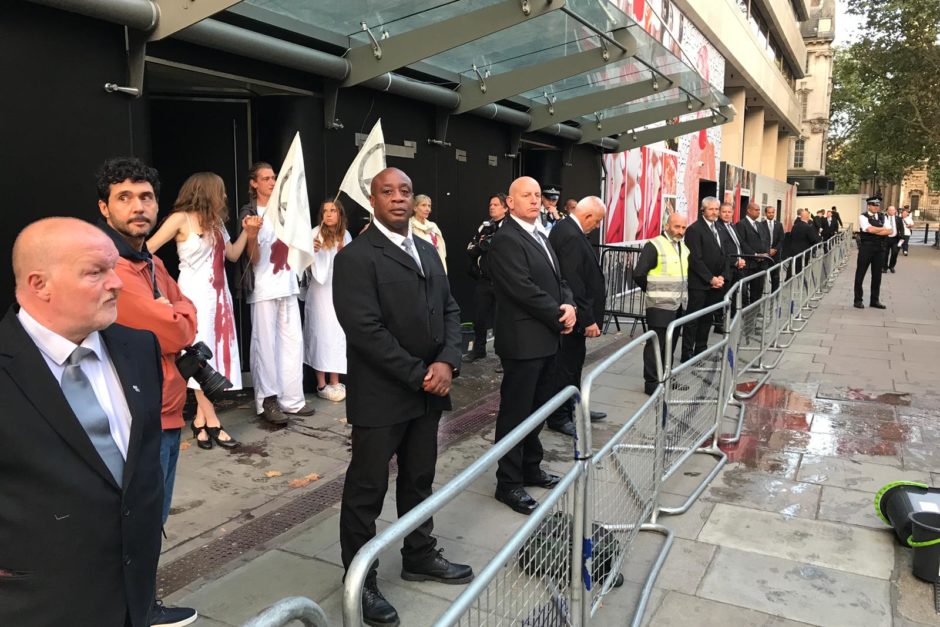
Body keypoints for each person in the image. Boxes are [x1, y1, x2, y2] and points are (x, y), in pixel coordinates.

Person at [0, 218, 165, 627]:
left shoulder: (139, 348)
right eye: (96, 272)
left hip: (135, 596)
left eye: (114, 267)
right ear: (40, 285)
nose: (117, 283)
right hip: (35, 606)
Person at [333, 168, 472, 626]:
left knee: (419, 480)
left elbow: (451, 310)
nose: (397, 198)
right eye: (387, 192)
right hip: (382, 396)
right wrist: (419, 373)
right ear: (371, 200)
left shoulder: (429, 251)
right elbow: (365, 330)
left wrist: (448, 362)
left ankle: (419, 554)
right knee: (366, 490)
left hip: (428, 394)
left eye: (405, 191)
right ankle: (360, 580)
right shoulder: (356, 258)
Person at [94, 157, 199, 627]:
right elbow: (175, 331)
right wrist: (175, 314)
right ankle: (136, 612)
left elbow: (185, 310)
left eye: (146, 197)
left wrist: (176, 312)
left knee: (151, 520)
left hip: (170, 412)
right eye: (125, 197)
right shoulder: (110, 266)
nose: (138, 207)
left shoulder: (152, 260)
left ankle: (143, 607)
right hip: (141, 419)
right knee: (136, 526)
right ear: (105, 207)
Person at [147, 172, 259, 450]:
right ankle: (213, 422)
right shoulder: (179, 219)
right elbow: (146, 251)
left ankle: (199, 421)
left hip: (219, 298)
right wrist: (160, 292)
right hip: (193, 295)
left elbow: (232, 255)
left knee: (213, 358)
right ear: (207, 191)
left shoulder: (217, 223)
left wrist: (249, 232)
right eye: (219, 191)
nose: (223, 196)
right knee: (200, 358)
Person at [488, 176, 576, 515]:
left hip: (547, 340)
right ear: (510, 202)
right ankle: (508, 483)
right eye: (526, 195)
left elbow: (559, 278)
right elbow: (522, 289)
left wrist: (569, 305)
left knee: (537, 411)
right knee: (516, 414)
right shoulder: (507, 240)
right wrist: (559, 314)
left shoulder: (540, 234)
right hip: (523, 344)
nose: (535, 200)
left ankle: (529, 466)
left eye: (538, 195)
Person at [238, 162, 316, 424]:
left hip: (288, 284)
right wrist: (251, 236)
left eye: (274, 178)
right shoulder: (250, 212)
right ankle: (267, 401)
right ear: (254, 183)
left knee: (292, 342)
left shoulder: (287, 211)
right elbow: (253, 257)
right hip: (263, 287)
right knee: (265, 345)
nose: (272, 182)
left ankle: (292, 399)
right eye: (266, 178)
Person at [546, 197, 608, 436]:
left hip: (574, 316)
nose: (598, 226)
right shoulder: (570, 234)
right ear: (588, 216)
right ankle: (559, 416)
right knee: (566, 366)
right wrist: (588, 319)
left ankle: (573, 405)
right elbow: (574, 282)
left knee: (573, 364)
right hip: (572, 318)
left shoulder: (569, 230)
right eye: (599, 220)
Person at [634, 213, 689, 394]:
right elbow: (639, 274)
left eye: (683, 227)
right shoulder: (655, 245)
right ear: (667, 226)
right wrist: (652, 292)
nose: (680, 231)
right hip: (659, 305)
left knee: (670, 344)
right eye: (677, 227)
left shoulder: (683, 247)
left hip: (678, 304)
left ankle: (665, 378)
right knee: (655, 345)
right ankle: (651, 384)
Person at [303, 199, 351, 401]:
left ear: (340, 214)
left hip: (338, 290)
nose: (329, 214)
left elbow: (350, 264)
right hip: (320, 291)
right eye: (325, 211)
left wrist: (343, 252)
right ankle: (321, 384)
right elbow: (302, 266)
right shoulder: (314, 233)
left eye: (333, 210)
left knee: (337, 334)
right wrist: (310, 251)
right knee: (320, 334)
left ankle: (335, 380)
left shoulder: (345, 234)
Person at [681, 196, 727, 362]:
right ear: (703, 210)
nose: (715, 212)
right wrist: (710, 279)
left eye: (716, 209)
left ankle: (701, 350)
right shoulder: (694, 229)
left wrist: (722, 276)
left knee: (707, 319)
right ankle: (687, 354)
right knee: (693, 320)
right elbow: (695, 259)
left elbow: (723, 254)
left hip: (716, 284)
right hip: (700, 284)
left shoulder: (719, 228)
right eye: (711, 209)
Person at [465, 193, 507, 363]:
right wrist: (482, 247)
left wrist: (494, 244)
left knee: (503, 322)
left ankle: (504, 358)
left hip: (502, 282)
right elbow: (470, 248)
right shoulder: (485, 226)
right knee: (479, 317)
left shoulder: (510, 227)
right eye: (490, 204)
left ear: (505, 207)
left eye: (496, 204)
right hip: (484, 280)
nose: (491, 207)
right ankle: (479, 350)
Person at [854, 197, 892, 309]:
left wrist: (876, 230)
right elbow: (869, 230)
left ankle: (874, 300)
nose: (876, 207)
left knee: (877, 276)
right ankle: (858, 300)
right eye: (874, 205)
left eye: (878, 205)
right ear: (869, 206)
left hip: (879, 249)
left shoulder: (883, 216)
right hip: (866, 248)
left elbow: (890, 231)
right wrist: (882, 229)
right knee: (860, 274)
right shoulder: (863, 216)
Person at [714, 202, 745, 332]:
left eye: (729, 212)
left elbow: (739, 244)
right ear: (719, 213)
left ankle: (731, 319)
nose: (727, 214)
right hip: (728, 267)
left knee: (735, 293)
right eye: (724, 212)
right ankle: (718, 322)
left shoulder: (733, 226)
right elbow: (723, 250)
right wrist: (734, 262)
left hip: (738, 266)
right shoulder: (717, 227)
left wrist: (743, 258)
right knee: (722, 295)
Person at [735, 201, 772, 306]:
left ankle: (755, 310)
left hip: (761, 264)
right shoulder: (741, 225)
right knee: (744, 291)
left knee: (758, 290)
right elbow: (742, 243)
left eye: (759, 210)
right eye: (756, 210)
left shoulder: (760, 225)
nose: (758, 212)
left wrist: (765, 253)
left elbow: (765, 240)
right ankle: (746, 312)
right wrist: (755, 255)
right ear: (748, 211)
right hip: (749, 264)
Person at [411, 194, 447, 272]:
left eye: (429, 206)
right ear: (415, 208)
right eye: (423, 205)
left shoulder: (433, 225)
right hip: (421, 268)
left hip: (437, 265)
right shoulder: (409, 225)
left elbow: (441, 248)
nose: (427, 209)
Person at [789, 209, 822, 274]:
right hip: (804, 253)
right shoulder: (808, 227)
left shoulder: (795, 226)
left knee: (792, 268)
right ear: (807, 217)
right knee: (801, 271)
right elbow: (812, 239)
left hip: (794, 252)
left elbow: (791, 237)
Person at [762, 205, 785, 292]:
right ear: (766, 213)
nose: (771, 214)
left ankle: (774, 294)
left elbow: (781, 239)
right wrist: (768, 250)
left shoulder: (779, 224)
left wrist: (775, 249)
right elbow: (761, 240)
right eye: (769, 212)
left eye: (772, 212)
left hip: (776, 255)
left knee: (775, 276)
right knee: (762, 275)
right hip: (765, 254)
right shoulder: (761, 225)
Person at [882, 206, 904, 274]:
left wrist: (902, 237)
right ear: (887, 211)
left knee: (895, 253)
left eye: (893, 210)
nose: (891, 211)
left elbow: (901, 228)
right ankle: (884, 267)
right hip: (886, 238)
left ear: (895, 211)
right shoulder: (883, 218)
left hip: (895, 239)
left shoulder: (898, 219)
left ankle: (892, 266)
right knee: (885, 254)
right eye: (890, 210)